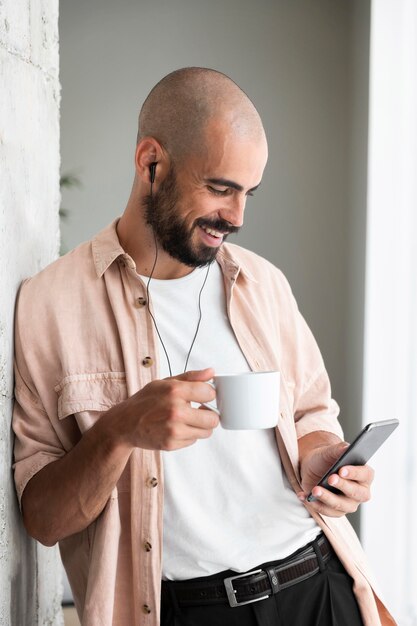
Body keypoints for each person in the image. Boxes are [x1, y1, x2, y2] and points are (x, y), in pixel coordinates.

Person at [12, 67, 395, 626]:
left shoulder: (262, 284)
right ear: (151, 163)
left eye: (248, 193)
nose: (237, 218)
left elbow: (311, 412)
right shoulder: (50, 305)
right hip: (189, 611)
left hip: (319, 587)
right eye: (220, 188)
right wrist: (121, 430)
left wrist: (322, 458)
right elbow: (42, 519)